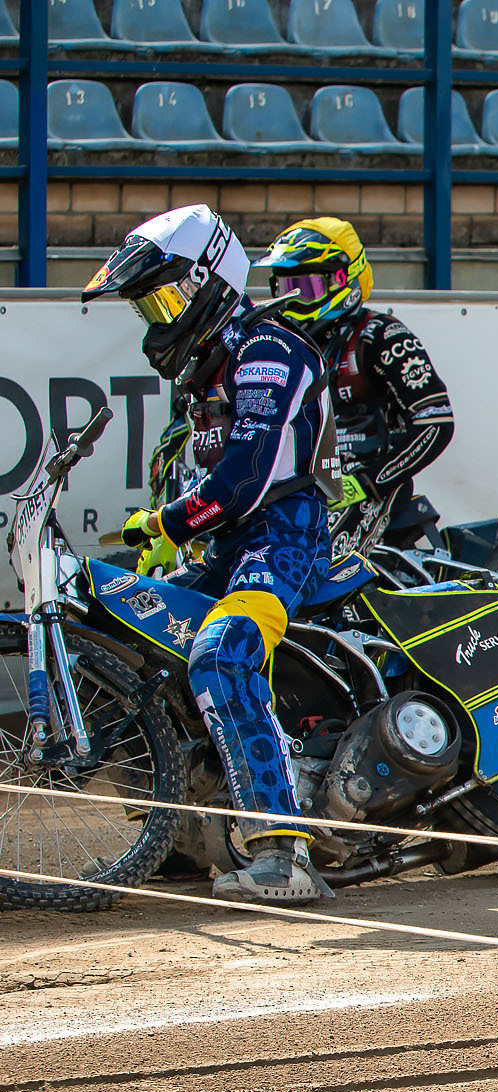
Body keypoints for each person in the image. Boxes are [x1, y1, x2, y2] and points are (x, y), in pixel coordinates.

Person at [84, 205, 339, 904]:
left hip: (282, 537)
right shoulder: (206, 373)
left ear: (211, 281)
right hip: (228, 545)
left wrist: (169, 522)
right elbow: (205, 480)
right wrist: (161, 537)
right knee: (132, 634)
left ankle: (283, 853)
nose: (160, 318)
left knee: (220, 652)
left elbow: (248, 477)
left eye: (167, 297)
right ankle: (175, 833)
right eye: (150, 307)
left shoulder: (268, 349)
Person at [257, 218, 457, 547]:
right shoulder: (282, 345)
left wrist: (369, 481)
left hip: (365, 483)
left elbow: (435, 423)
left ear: (342, 281)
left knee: (302, 559)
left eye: (305, 289)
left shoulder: (382, 334)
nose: (291, 301)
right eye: (284, 288)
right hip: (296, 483)